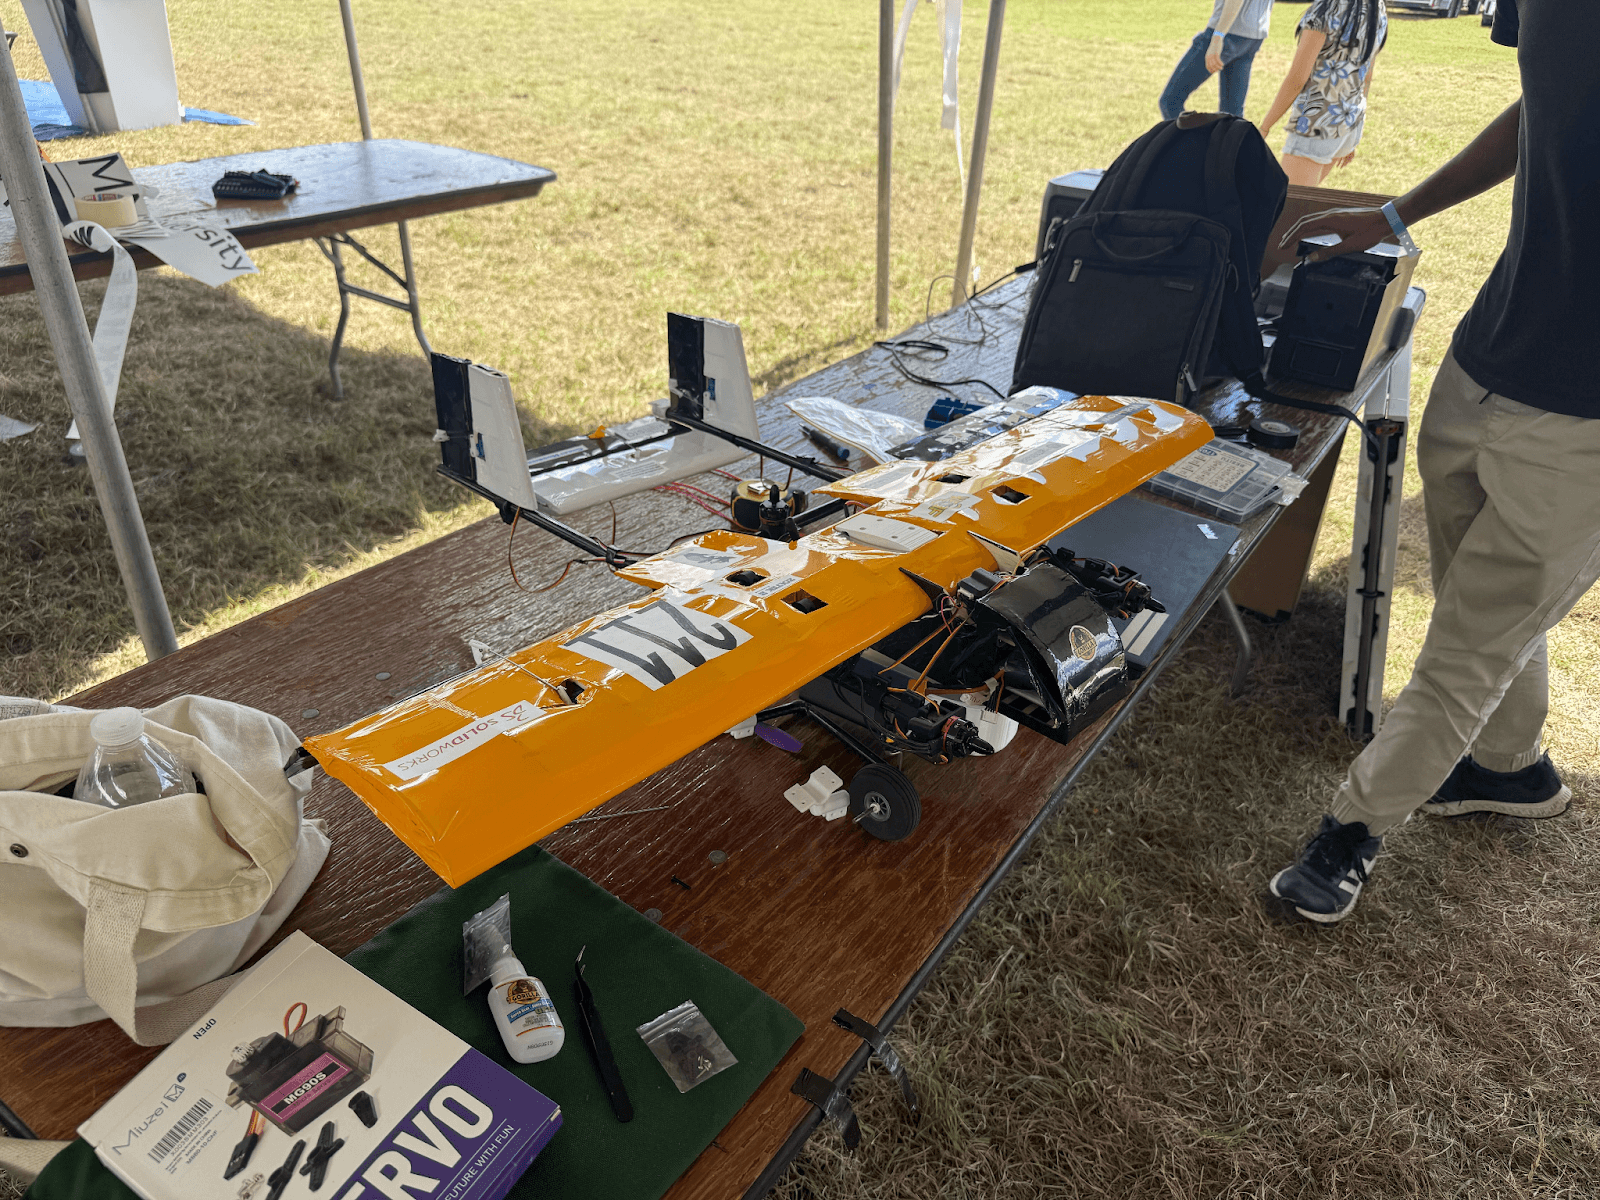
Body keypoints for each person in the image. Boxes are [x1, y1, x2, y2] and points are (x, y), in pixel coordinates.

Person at [1266, 0, 1600, 924]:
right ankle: (1510, 768)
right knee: (1477, 606)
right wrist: (1396, 212)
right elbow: (1544, 105)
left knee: (1462, 653)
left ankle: (1349, 833)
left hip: (1586, 423)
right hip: (1485, 359)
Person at [1256, 0, 1386, 185]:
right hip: (1348, 124)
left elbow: (1297, 79)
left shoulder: (1324, 10)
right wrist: (1352, 132)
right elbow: (1367, 74)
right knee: (1301, 206)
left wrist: (1264, 127)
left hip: (1316, 126)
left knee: (1289, 209)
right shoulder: (1376, 6)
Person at [1157, 0, 1275, 122]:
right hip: (1253, 35)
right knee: (1231, 116)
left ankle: (1194, 141)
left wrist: (1218, 36)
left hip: (1228, 32)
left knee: (1170, 101)